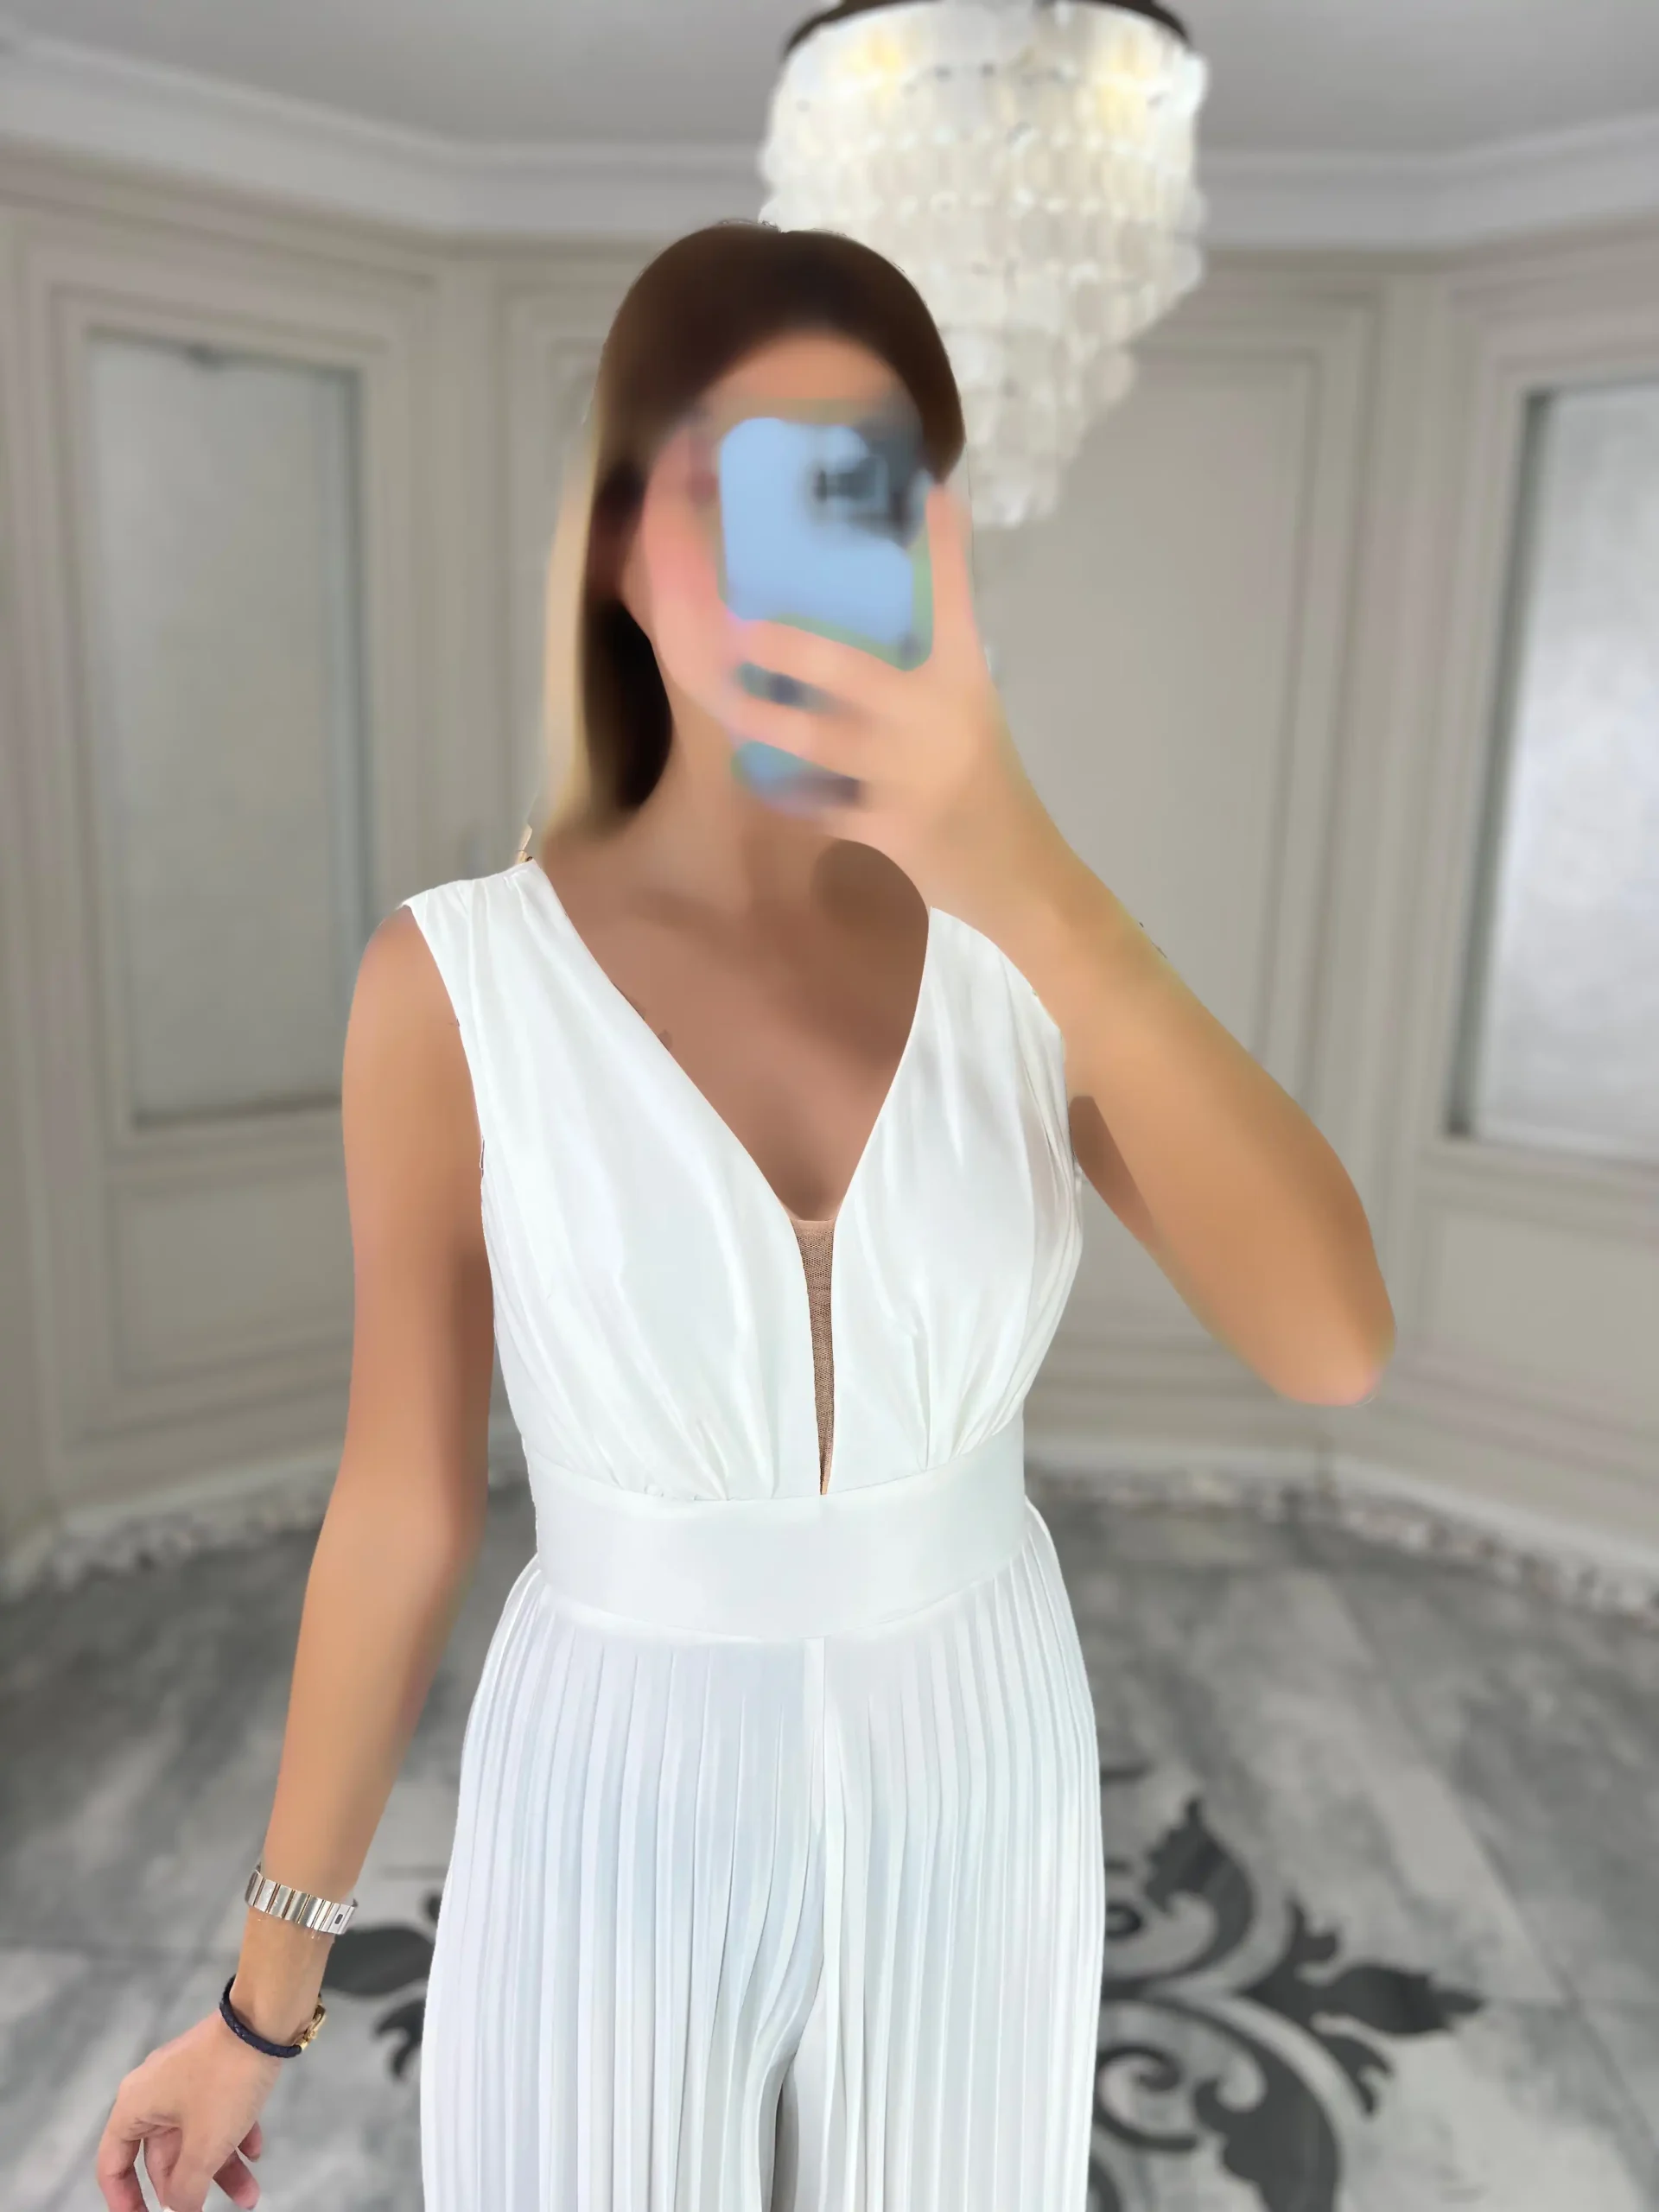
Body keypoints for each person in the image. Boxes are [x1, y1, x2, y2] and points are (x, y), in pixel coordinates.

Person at [95, 219, 1394, 2212]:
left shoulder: (1028, 952)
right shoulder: (451, 983)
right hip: (611, 1776)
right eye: (746, 494)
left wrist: (1025, 875)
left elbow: (1332, 1343)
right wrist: (258, 2010)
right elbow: (403, 1502)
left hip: (984, 1753)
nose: (809, 563)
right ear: (620, 544)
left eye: (866, 499)